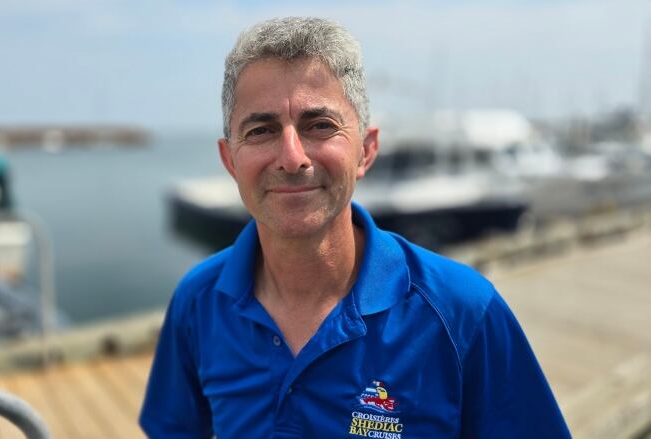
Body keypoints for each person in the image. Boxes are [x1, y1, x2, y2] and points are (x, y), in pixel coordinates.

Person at [140, 17, 570, 438]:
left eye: (319, 126)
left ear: (366, 150)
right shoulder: (197, 302)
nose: (292, 158)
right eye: (261, 129)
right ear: (230, 160)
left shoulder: (463, 312)